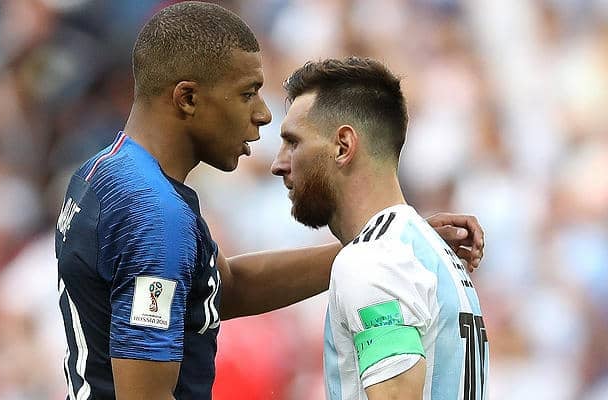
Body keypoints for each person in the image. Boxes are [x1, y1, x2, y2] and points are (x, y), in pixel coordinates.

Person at [55, 2, 484, 400]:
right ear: (188, 98)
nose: (263, 113)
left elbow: (222, 288)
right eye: (248, 93)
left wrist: (382, 241)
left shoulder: (104, 175)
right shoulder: (153, 213)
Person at [271, 57, 489, 400]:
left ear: (343, 146)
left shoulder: (372, 262)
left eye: (293, 142)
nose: (278, 164)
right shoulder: (419, 251)